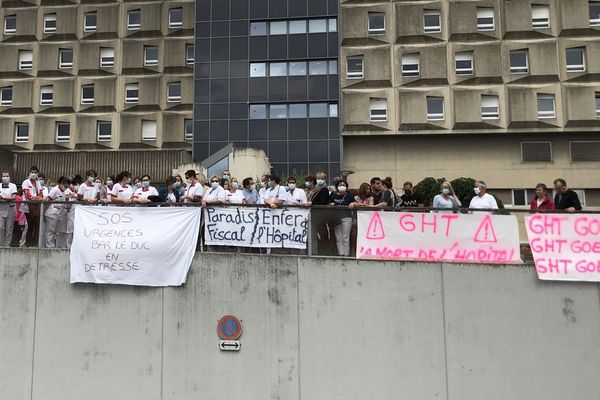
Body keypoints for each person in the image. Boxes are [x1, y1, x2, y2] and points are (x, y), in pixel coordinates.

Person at [328, 179, 355, 256]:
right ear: (337, 187)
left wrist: (353, 203)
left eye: (344, 185)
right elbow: (328, 202)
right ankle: (341, 254)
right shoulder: (333, 195)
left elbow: (354, 202)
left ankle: (346, 255)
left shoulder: (349, 195)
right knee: (338, 237)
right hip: (336, 218)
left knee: (345, 237)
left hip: (346, 218)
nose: (342, 186)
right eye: (340, 185)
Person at [21, 165, 44, 246]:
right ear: (29, 173)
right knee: (29, 225)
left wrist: (37, 198)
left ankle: (33, 243)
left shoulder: (38, 183)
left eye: (35, 172)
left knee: (35, 226)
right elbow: (27, 195)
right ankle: (27, 244)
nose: (33, 174)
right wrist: (36, 198)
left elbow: (41, 194)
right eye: (32, 172)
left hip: (36, 207)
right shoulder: (25, 182)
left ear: (37, 173)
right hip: (28, 206)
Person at [44, 176, 69, 248]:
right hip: (52, 214)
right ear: (61, 183)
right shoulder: (55, 190)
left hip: (58, 215)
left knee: (56, 231)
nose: (66, 187)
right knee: (50, 231)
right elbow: (48, 200)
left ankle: (55, 246)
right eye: (65, 185)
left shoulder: (63, 191)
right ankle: (49, 247)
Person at [0, 171, 17, 247]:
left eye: (7, 176)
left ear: (9, 177)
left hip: (11, 208)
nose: (5, 178)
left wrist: (3, 198)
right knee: (1, 227)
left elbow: (13, 197)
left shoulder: (13, 186)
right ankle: (1, 244)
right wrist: (7, 199)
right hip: (1, 209)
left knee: (9, 228)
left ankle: (7, 245)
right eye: (4, 176)